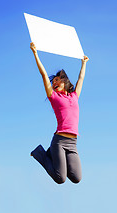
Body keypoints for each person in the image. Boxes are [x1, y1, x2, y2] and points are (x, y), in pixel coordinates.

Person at [30, 42, 89, 184]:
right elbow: (44, 75)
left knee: (76, 178)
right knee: (60, 178)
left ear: (65, 81)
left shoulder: (75, 96)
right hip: (60, 141)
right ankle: (40, 153)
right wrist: (35, 54)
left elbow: (81, 79)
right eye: (53, 81)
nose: (54, 83)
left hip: (73, 143)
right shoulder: (54, 97)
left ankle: (53, 156)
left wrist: (84, 63)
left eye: (57, 80)